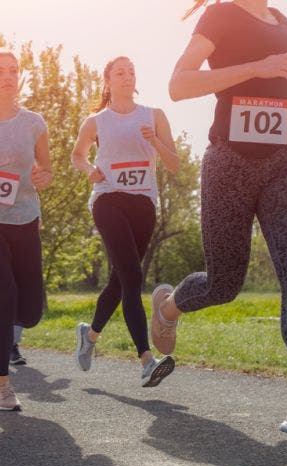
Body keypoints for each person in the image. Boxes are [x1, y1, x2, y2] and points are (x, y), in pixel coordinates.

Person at [151, 0, 287, 445]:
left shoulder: (283, 22)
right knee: (224, 284)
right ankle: (168, 307)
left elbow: (273, 100)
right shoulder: (220, 15)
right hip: (229, 162)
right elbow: (179, 85)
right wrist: (261, 64)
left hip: (282, 163)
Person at [70, 56, 180, 388]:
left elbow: (173, 163)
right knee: (132, 275)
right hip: (108, 198)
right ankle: (147, 361)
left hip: (143, 203)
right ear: (108, 81)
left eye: (132, 71)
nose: (128, 76)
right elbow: (77, 154)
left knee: (120, 281)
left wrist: (155, 140)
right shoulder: (96, 121)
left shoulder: (154, 116)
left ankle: (89, 335)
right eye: (120, 72)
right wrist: (90, 170)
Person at [0, 49, 54, 411]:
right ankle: (1, 386)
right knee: (5, 299)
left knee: (31, 313)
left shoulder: (35, 123)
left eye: (13, 71)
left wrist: (42, 176)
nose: (8, 76)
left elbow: (47, 171)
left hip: (24, 218)